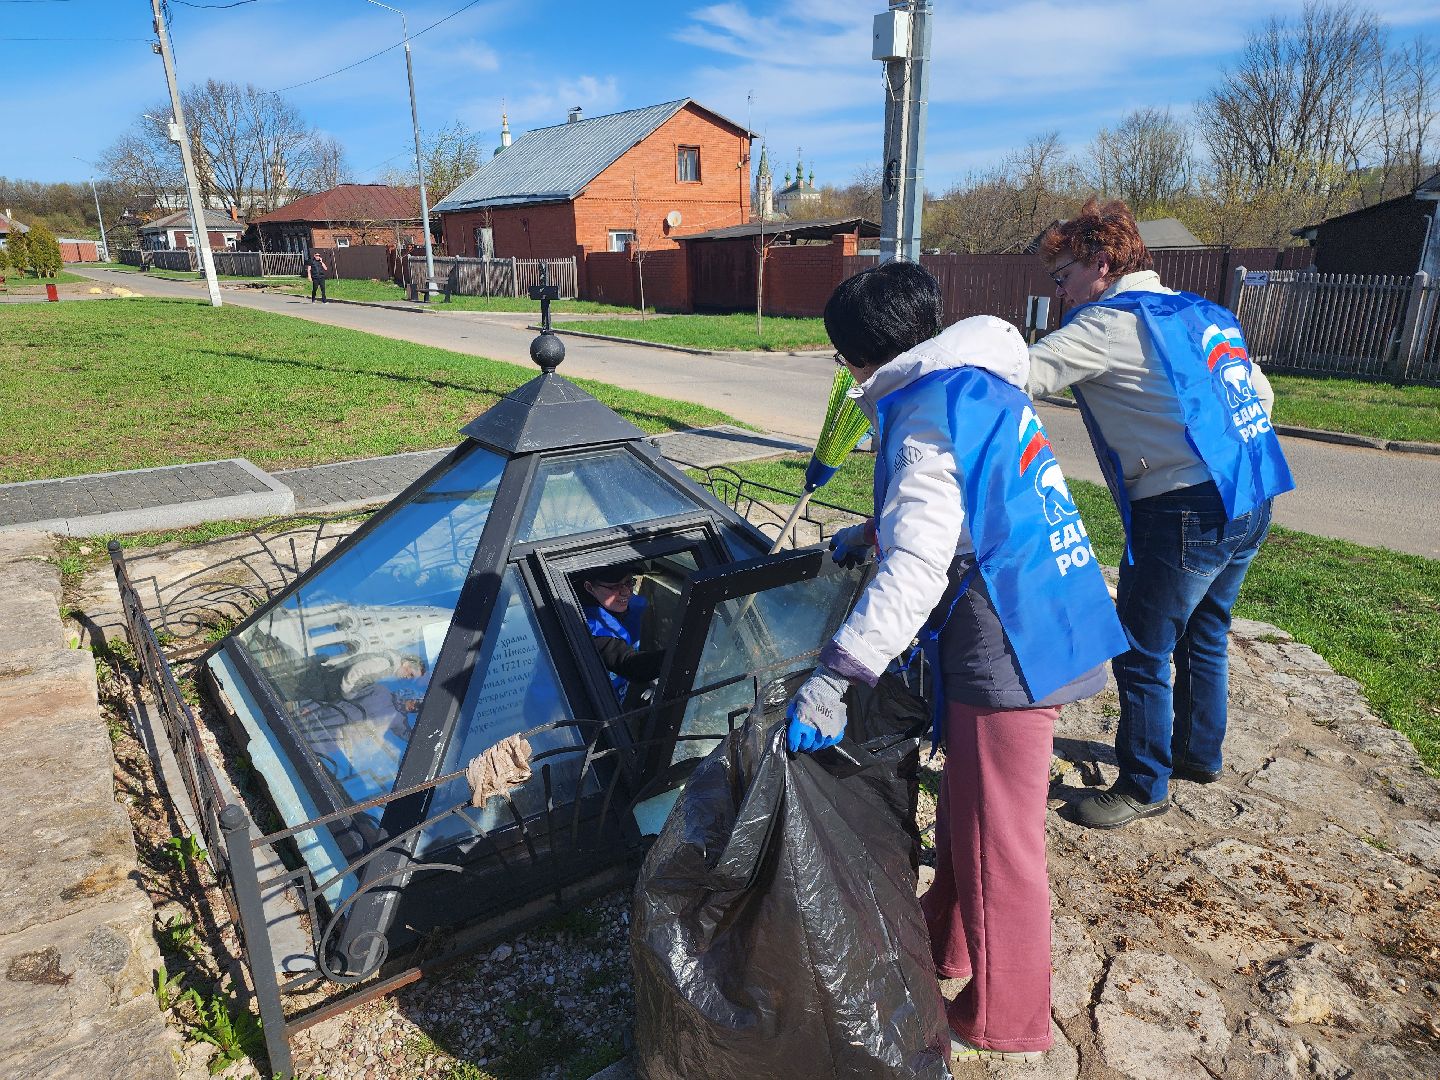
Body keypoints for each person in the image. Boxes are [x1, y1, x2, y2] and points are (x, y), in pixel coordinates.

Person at [785, 262, 1128, 1063]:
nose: (844, 371)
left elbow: (919, 569)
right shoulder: (975, 382)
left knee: (999, 840)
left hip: (1008, 632)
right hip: (1043, 605)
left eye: (842, 357)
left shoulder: (924, 412)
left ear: (863, 355)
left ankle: (1006, 1016)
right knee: (971, 815)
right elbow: (976, 505)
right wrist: (875, 533)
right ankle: (948, 950)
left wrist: (838, 674)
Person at [1027, 198, 1294, 829]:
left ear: (1101, 261)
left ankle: (1143, 784)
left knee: (1143, 649)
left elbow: (1022, 373)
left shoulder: (1105, 326)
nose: (1061, 294)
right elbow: (1261, 393)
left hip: (1181, 509)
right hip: (1250, 492)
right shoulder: (1201, 312)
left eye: (1062, 276)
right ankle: (1199, 755)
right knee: (1207, 631)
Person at [579, 564, 667, 709]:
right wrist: (679, 655)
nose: (626, 592)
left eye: (629, 582)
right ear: (589, 587)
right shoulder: (587, 629)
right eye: (614, 586)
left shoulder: (622, 605)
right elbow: (628, 663)